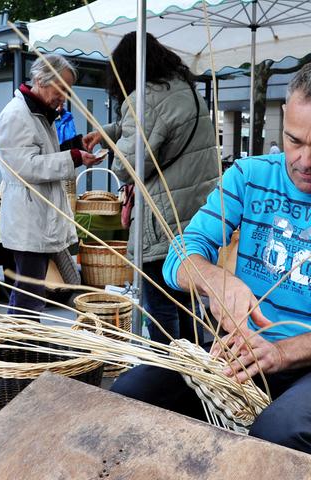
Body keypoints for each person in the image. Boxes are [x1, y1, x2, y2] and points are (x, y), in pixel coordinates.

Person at [110, 59, 311, 460]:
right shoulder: (249, 177)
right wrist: (214, 279)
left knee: (279, 434)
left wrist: (283, 352)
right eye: (294, 139)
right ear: (283, 119)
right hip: (246, 358)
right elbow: (180, 256)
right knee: (132, 393)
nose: (305, 160)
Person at [83, 32, 219, 344]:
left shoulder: (143, 100)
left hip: (161, 220)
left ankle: (165, 379)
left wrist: (113, 148)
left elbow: (127, 167)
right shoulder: (185, 91)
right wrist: (110, 131)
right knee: (187, 304)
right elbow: (159, 130)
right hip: (194, 216)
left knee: (160, 306)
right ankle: (196, 377)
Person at [0, 54, 101, 318]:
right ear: (41, 80)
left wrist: (74, 145)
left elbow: (44, 153)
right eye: (61, 88)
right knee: (30, 293)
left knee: (32, 290)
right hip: (28, 218)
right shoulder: (16, 115)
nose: (65, 96)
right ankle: (21, 347)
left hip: (39, 217)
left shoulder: (41, 114)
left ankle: (24, 345)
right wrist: (74, 158)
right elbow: (24, 167)